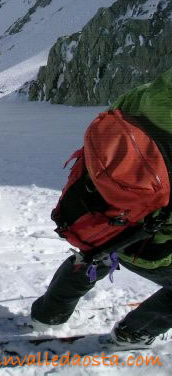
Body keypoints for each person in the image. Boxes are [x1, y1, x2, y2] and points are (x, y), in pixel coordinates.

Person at [31, 70, 172, 348]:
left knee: (96, 255)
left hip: (99, 217)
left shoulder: (145, 93)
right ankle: (134, 332)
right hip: (151, 244)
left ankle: (48, 315)